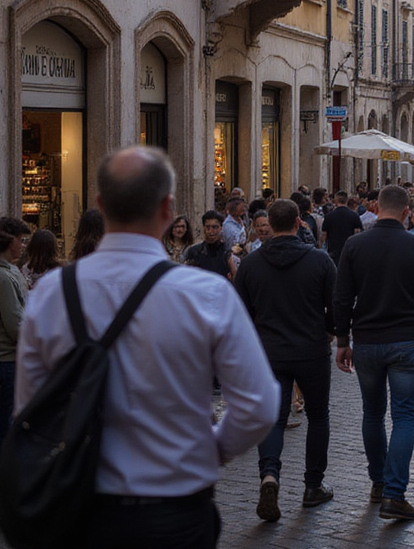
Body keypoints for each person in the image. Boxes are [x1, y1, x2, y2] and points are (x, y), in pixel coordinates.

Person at [15, 145, 278, 549]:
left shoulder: (50, 294)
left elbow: (30, 408)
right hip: (174, 509)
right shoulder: (205, 294)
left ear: (101, 204)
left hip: (76, 508)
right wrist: (212, 449)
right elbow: (258, 404)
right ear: (168, 208)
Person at [333, 185, 414, 522]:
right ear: (407, 213)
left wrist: (342, 340)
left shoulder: (354, 245)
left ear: (376, 208)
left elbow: (341, 298)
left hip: (366, 341)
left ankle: (379, 483)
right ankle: (395, 494)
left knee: (372, 413)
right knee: (404, 417)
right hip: (406, 342)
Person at [235, 198, 337, 522]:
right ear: (298, 222)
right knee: (318, 416)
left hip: (269, 354)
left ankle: (269, 474)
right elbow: (334, 306)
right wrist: (332, 331)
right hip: (311, 351)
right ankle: (312, 486)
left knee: (273, 419)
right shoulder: (320, 262)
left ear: (269, 225)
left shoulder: (250, 264)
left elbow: (239, 313)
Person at [0, 217, 30, 436]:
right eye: (21, 240)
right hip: (7, 361)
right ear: (10, 242)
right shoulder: (4, 277)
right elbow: (16, 325)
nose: (23, 245)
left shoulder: (10, 272)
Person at [184, 210, 236, 280]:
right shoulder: (194, 251)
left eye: (215, 227)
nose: (211, 231)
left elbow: (234, 276)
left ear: (221, 228)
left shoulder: (227, 251)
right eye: (208, 227)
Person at [321, 193, 363, 264]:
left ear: (336, 201)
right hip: (349, 250)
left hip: (333, 251)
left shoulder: (329, 216)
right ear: (347, 201)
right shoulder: (354, 216)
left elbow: (324, 236)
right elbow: (358, 233)